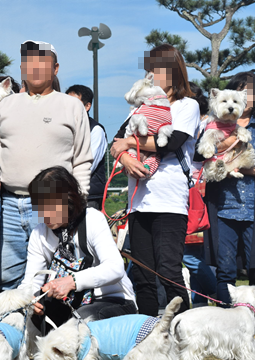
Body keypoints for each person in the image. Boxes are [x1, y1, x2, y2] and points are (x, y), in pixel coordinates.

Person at [0, 40, 92, 290]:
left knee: (55, 274)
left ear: (55, 68)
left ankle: (50, 329)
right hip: (9, 204)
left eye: (42, 62)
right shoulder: (5, 105)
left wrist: (77, 202)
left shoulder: (72, 106)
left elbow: (81, 158)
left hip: (56, 204)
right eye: (29, 62)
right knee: (8, 277)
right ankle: (13, 328)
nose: (34, 68)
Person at [110, 44, 200, 316]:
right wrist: (125, 157)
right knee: (143, 275)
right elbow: (116, 141)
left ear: (175, 71)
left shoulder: (188, 105)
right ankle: (147, 335)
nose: (153, 75)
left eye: (159, 69)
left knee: (169, 272)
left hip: (170, 202)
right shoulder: (141, 106)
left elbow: (171, 143)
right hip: (138, 203)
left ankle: (185, 336)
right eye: (150, 69)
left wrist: (128, 142)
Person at [197, 71, 255, 334]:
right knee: (224, 270)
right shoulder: (212, 126)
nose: (247, 95)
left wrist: (245, 170)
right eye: (241, 89)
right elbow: (201, 158)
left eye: (252, 91)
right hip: (222, 208)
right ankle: (226, 322)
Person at [22, 167, 136, 333]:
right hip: (69, 305)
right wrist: (29, 301)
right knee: (30, 320)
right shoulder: (39, 233)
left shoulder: (92, 219)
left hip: (112, 301)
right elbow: (30, 283)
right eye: (39, 207)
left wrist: (72, 281)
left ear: (68, 200)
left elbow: (115, 268)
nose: (43, 214)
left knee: (79, 325)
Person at [182, 82, 217, 307]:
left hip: (200, 192)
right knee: (193, 252)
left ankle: (220, 295)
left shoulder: (209, 125)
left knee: (189, 254)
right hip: (189, 191)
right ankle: (200, 305)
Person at [66, 85, 108, 210]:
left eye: (74, 103)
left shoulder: (96, 130)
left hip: (88, 196)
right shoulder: (63, 128)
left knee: (87, 229)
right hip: (65, 192)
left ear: (87, 106)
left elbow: (89, 163)